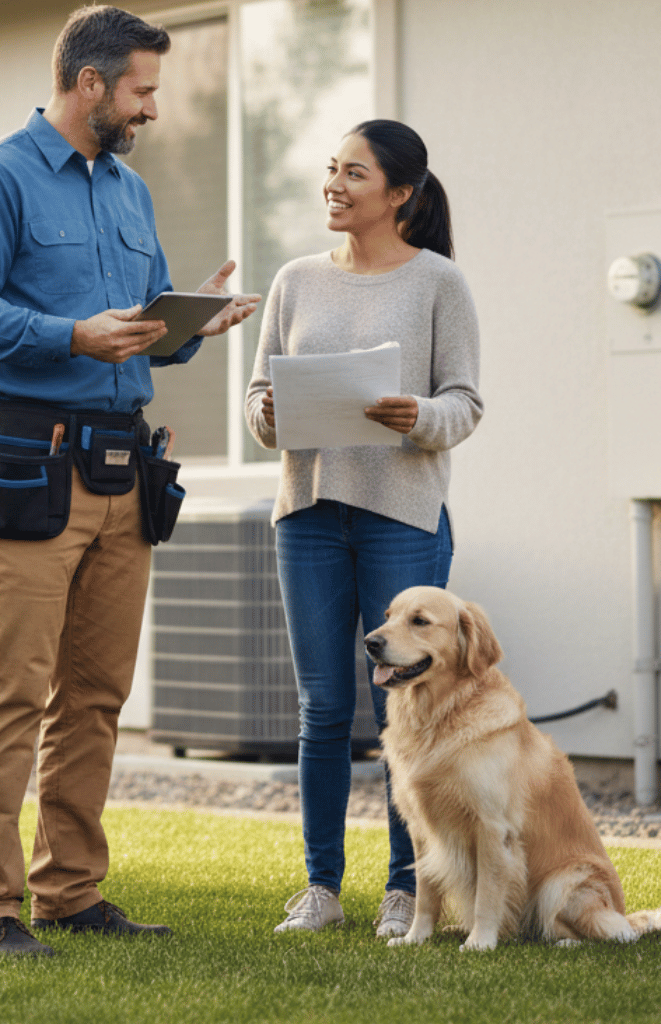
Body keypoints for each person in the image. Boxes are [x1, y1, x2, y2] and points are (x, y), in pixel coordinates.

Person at [0, 5, 259, 957]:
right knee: (10, 692)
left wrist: (192, 323)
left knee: (95, 696)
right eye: (143, 90)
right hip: (30, 464)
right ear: (90, 85)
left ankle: (70, 892)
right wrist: (69, 335)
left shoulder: (127, 192)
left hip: (126, 469)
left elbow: (139, 334)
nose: (152, 109)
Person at [244, 120, 483, 937]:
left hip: (403, 518)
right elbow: (255, 402)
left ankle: (405, 891)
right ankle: (319, 888)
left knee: (406, 708)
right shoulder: (295, 280)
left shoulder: (438, 283)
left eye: (355, 173)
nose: (334, 186)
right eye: (331, 170)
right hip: (308, 514)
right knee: (321, 708)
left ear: (401, 193)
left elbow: (465, 402)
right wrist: (266, 413)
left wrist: (418, 415)